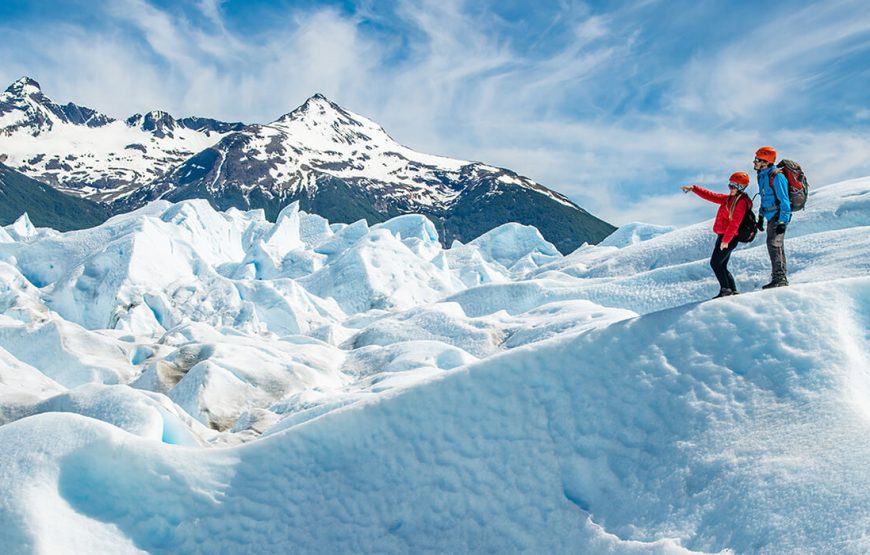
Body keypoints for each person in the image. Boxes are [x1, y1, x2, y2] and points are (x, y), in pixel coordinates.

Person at [681, 172, 751, 298]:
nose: (731, 187)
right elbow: (712, 196)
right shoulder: (728, 199)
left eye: (735, 185)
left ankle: (725, 290)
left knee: (715, 263)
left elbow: (735, 223)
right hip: (724, 237)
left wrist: (726, 240)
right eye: (730, 184)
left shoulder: (741, 203)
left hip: (729, 238)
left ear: (742, 187)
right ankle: (732, 290)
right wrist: (694, 189)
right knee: (721, 264)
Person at [753, 146, 790, 288]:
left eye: (757, 160)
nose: (754, 162)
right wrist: (761, 216)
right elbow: (765, 198)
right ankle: (779, 277)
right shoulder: (762, 175)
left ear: (766, 161)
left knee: (774, 243)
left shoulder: (777, 176)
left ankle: (780, 279)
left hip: (778, 216)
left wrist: (782, 221)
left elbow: (785, 200)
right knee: (773, 243)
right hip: (770, 215)